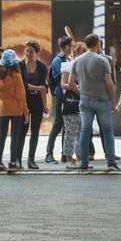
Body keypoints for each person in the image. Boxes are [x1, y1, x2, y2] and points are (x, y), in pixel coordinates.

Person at [72, 34, 119, 172]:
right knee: (108, 130)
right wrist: (113, 100)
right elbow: (109, 83)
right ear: (98, 43)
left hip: (85, 100)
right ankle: (111, 163)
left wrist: (81, 92)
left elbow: (70, 83)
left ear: (86, 44)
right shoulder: (102, 60)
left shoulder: (77, 60)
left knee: (85, 131)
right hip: (102, 100)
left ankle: (84, 162)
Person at [0, 49, 29, 172]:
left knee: (2, 136)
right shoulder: (17, 76)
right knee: (15, 136)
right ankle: (13, 162)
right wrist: (26, 112)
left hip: (3, 108)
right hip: (16, 109)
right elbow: (21, 95)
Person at [20, 40, 50, 169]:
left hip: (37, 102)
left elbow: (43, 87)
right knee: (22, 131)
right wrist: (37, 88)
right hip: (23, 102)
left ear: (36, 52)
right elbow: (21, 86)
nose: (28, 53)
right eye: (26, 51)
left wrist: (45, 104)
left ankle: (31, 159)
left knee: (35, 131)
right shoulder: (20, 65)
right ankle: (17, 159)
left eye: (31, 51)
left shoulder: (42, 67)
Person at [44, 36, 72, 164]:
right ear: (66, 47)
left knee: (67, 125)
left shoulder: (67, 59)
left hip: (68, 95)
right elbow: (64, 76)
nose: (72, 48)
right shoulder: (57, 60)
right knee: (58, 125)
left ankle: (64, 154)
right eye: (71, 46)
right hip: (61, 95)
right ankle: (49, 154)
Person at [60, 44, 83, 167]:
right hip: (71, 102)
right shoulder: (68, 65)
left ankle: (79, 157)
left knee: (81, 132)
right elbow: (63, 85)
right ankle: (69, 158)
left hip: (83, 103)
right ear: (76, 53)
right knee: (70, 132)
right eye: (83, 51)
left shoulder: (85, 65)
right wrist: (78, 87)